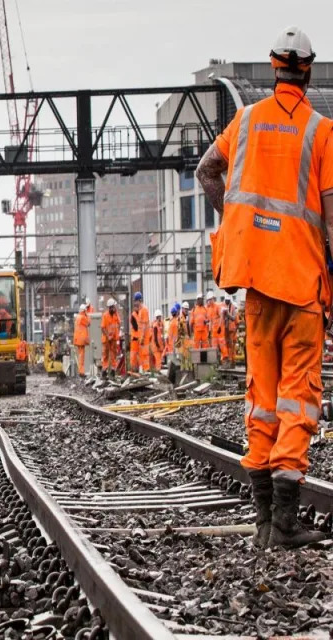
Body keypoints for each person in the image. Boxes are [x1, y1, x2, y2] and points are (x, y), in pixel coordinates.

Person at [196, 26, 333, 548]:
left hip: (256, 284)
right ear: (309, 71)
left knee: (262, 397)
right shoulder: (322, 132)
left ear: (274, 67)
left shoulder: (246, 121)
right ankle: (283, 523)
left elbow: (209, 171)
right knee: (298, 398)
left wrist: (235, 226)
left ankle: (260, 522)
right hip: (301, 286)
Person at [129, 292, 149, 374]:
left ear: (139, 300)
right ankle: (144, 371)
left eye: (136, 301)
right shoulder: (140, 310)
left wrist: (142, 337)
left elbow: (144, 325)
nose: (135, 303)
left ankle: (146, 371)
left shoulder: (143, 310)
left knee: (144, 356)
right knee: (142, 356)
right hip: (141, 337)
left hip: (144, 337)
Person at [101, 299, 120, 378]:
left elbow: (119, 322)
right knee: (105, 354)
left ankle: (113, 370)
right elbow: (102, 328)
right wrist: (107, 336)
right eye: (113, 307)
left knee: (114, 355)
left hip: (114, 338)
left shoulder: (115, 315)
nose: (114, 308)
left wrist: (116, 313)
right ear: (110, 307)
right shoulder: (105, 315)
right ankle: (104, 370)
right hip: (107, 339)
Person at [73, 303, 90, 377]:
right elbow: (89, 323)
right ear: (84, 311)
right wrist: (87, 315)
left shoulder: (78, 317)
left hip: (78, 338)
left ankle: (81, 371)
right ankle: (81, 372)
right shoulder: (83, 317)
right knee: (82, 356)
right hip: (81, 339)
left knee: (80, 355)